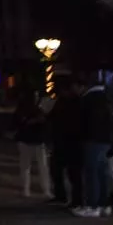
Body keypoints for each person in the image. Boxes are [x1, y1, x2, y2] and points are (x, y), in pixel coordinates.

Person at [74, 74, 113, 217]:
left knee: (92, 173)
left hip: (93, 139)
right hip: (105, 139)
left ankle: (93, 205)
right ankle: (104, 204)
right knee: (102, 172)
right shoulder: (106, 97)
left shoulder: (89, 100)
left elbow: (85, 122)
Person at [46, 76, 83, 206]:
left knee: (73, 173)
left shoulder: (76, 102)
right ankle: (61, 195)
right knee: (57, 170)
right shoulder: (62, 101)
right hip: (61, 140)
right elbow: (52, 117)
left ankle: (76, 199)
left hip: (71, 141)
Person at [13, 89, 50, 198]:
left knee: (37, 166)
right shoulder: (26, 108)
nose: (36, 98)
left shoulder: (39, 108)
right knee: (30, 165)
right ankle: (28, 189)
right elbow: (20, 121)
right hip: (29, 139)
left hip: (35, 140)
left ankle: (40, 189)